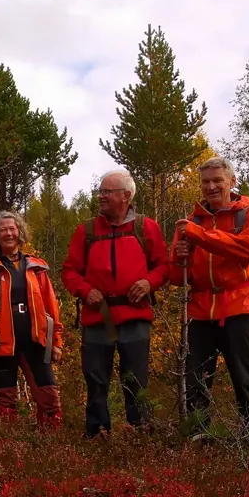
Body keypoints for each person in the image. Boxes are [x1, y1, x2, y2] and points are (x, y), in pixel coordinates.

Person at [61, 170, 168, 437]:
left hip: (135, 317)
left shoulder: (147, 228)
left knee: (135, 378)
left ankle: (138, 431)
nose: (100, 196)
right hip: (100, 318)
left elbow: (165, 267)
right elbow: (69, 271)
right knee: (96, 378)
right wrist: (86, 291)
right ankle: (97, 432)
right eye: (100, 191)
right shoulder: (85, 231)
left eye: (106, 192)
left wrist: (148, 283)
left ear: (125, 196)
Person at [170, 157, 249, 439]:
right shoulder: (191, 222)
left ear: (232, 181)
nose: (211, 187)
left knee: (248, 380)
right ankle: (197, 442)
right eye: (206, 182)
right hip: (200, 311)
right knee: (195, 384)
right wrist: (179, 259)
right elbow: (178, 278)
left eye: (218, 180)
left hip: (242, 307)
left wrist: (200, 236)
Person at [0, 211, 62, 425]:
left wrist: (56, 341)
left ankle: (50, 447)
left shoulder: (35, 268)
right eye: (3, 230)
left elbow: (51, 307)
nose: (8, 233)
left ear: (20, 232)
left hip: (36, 342)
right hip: (0, 344)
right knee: (5, 402)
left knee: (50, 399)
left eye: (12, 229)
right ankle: (8, 453)